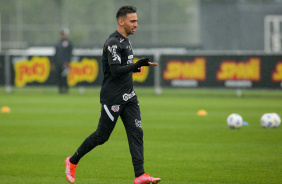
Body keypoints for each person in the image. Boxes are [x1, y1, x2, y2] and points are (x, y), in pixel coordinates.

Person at [64, 5, 161, 184]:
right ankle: (72, 161)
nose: (136, 24)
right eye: (133, 21)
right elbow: (115, 71)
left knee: (136, 132)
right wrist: (136, 65)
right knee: (102, 136)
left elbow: (123, 69)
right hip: (112, 97)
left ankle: (140, 175)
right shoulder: (112, 43)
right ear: (121, 21)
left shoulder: (126, 41)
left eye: (137, 21)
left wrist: (136, 67)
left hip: (129, 96)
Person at [54, 28, 73, 94]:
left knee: (64, 76)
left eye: (63, 34)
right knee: (58, 77)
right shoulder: (58, 43)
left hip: (65, 63)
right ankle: (60, 89)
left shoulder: (68, 43)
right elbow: (56, 53)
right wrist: (54, 62)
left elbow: (70, 53)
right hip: (58, 62)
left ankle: (65, 89)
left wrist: (67, 62)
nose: (62, 35)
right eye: (61, 34)